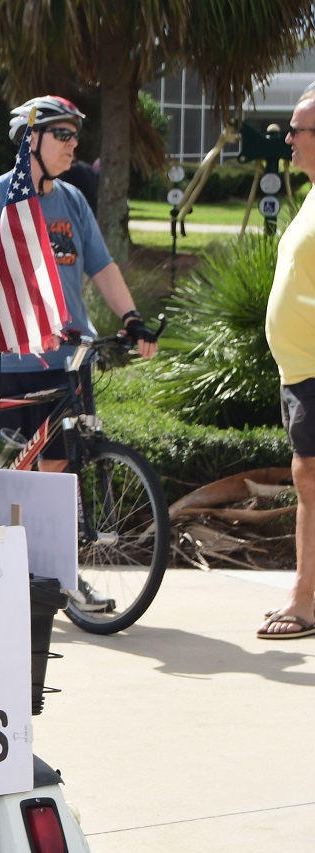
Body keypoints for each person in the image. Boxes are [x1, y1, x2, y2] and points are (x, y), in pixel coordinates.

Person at [0, 96, 158, 477]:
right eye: (62, 134)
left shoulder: (73, 200)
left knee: (59, 463)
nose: (74, 144)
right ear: (30, 139)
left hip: (69, 360)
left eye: (75, 136)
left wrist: (132, 317)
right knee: (3, 471)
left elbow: (102, 267)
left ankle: (44, 538)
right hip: (13, 361)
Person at [259, 85, 315, 639]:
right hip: (300, 371)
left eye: (299, 130)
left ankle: (303, 601)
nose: (289, 138)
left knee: (310, 481)